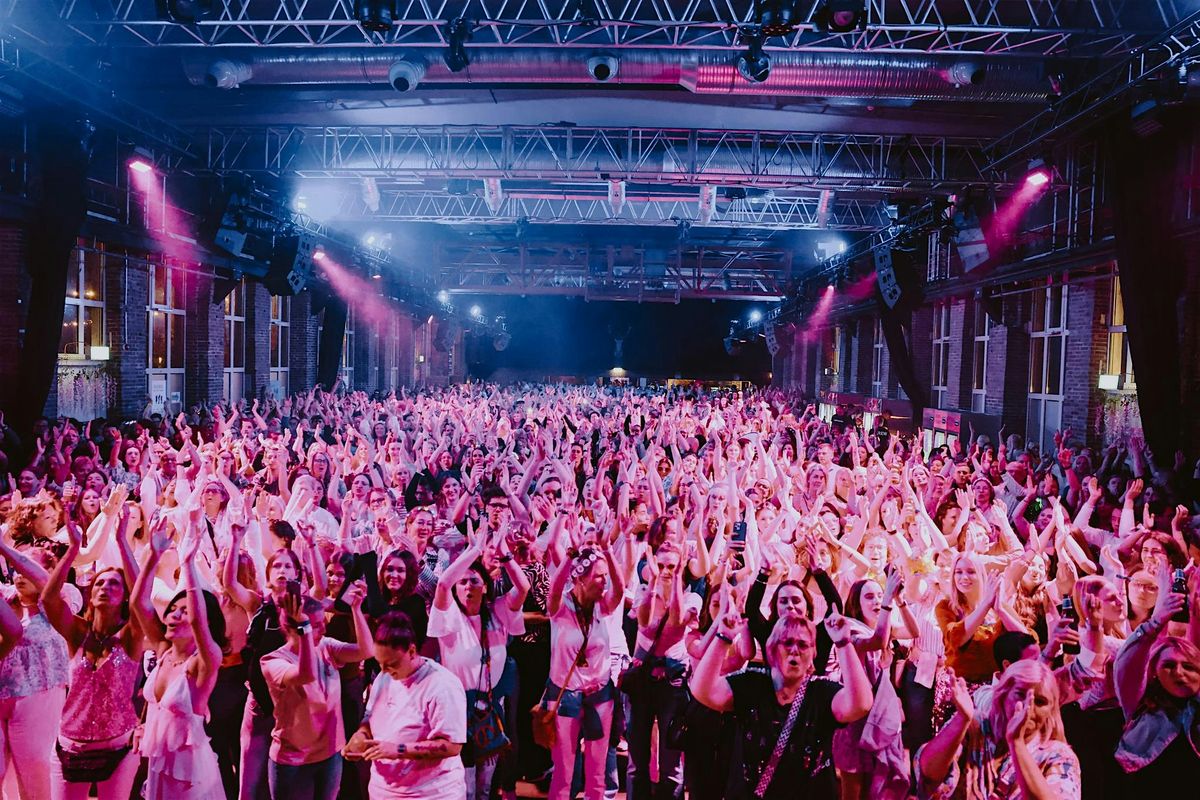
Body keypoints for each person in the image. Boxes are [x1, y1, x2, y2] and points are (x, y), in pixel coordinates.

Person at [690, 612, 874, 799]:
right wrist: (723, 638)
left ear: (812, 654)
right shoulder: (752, 683)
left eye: (803, 645)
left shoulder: (821, 691)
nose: (795, 650)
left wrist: (843, 643)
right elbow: (704, 691)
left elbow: (861, 705)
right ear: (772, 648)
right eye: (787, 643)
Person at [130, 511, 225, 799]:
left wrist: (187, 564)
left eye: (184, 611)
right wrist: (154, 555)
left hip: (189, 774)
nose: (173, 615)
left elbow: (198, 620)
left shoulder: (204, 661)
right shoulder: (163, 649)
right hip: (158, 764)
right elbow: (138, 603)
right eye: (172, 609)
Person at [344, 611, 466, 799]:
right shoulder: (383, 678)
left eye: (391, 663)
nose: (384, 670)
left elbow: (452, 746)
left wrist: (398, 750)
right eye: (380, 663)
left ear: (412, 651)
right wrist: (361, 735)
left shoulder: (442, 685)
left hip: (431, 794)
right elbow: (370, 718)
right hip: (383, 792)